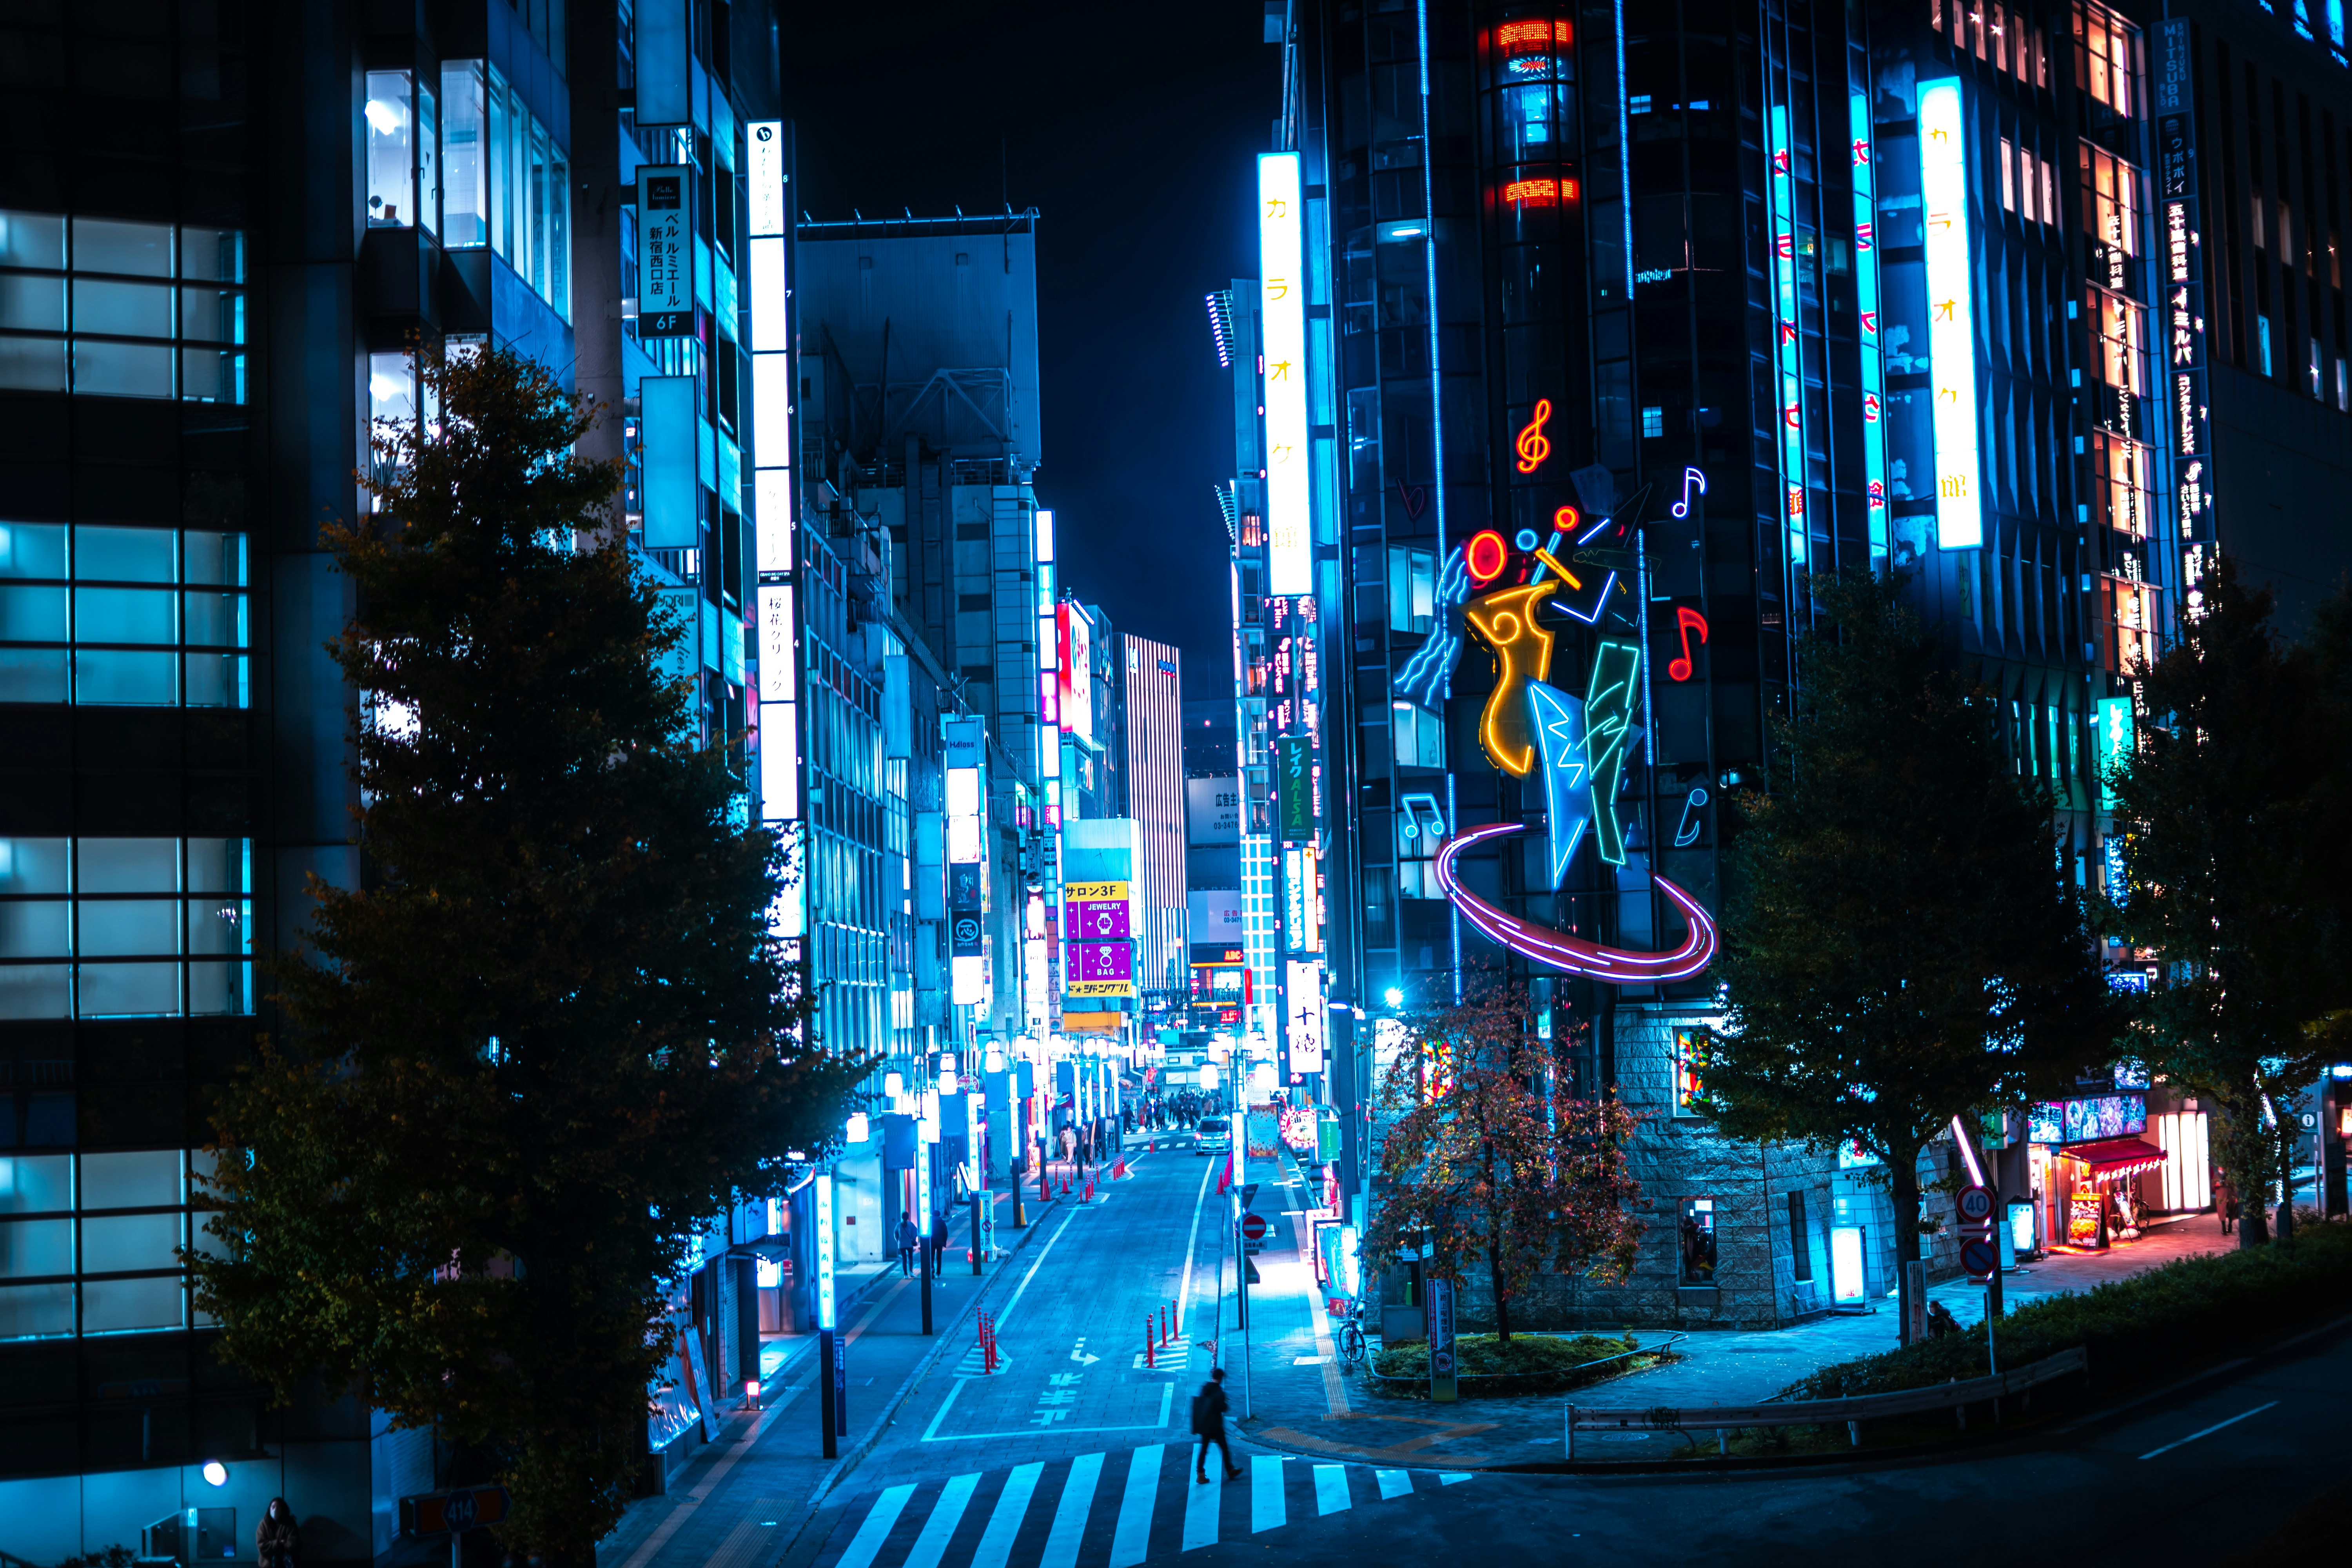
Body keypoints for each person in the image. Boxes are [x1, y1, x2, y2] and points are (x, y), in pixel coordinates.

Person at [1191, 1366, 1241, 1483]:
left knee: (1204, 1449)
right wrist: (1226, 1404)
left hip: (1205, 1425)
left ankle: (1200, 1474)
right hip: (1216, 1426)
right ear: (1221, 1379)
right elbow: (1223, 1408)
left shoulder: (1205, 1387)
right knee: (1224, 1448)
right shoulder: (1219, 1392)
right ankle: (1230, 1470)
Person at [256, 1497, 298, 1568]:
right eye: (273, 1507)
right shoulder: (263, 1525)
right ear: (270, 1508)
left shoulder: (290, 1524)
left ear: (283, 1510)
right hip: (267, 1565)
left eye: (279, 1508)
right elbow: (262, 1546)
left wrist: (273, 1545)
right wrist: (279, 1543)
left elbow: (294, 1544)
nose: (275, 1510)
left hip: (285, 1565)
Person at [895, 1212, 920, 1278]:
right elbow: (916, 1231)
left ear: (902, 1217)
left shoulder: (898, 1225)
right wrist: (913, 1238)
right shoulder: (911, 1224)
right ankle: (911, 1272)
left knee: (904, 1259)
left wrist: (898, 1241)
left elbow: (896, 1234)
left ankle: (906, 1275)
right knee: (911, 1258)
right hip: (909, 1244)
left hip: (902, 1245)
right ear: (908, 1217)